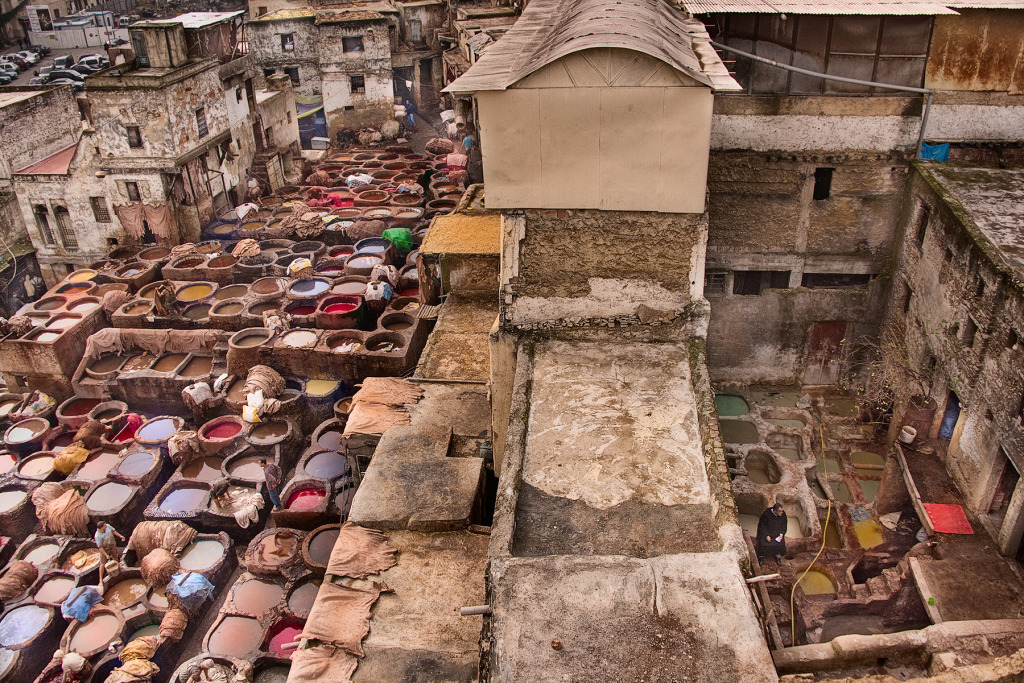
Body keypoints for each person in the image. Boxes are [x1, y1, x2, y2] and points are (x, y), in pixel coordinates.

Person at [756, 503, 788, 567]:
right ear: (775, 511)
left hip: (777, 533)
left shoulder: (783, 514)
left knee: (779, 543)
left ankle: (777, 555)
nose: (782, 512)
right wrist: (766, 535)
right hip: (767, 533)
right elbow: (762, 526)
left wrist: (782, 534)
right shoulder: (766, 514)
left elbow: (784, 525)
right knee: (763, 543)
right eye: (780, 511)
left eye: (782, 511)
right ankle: (761, 556)